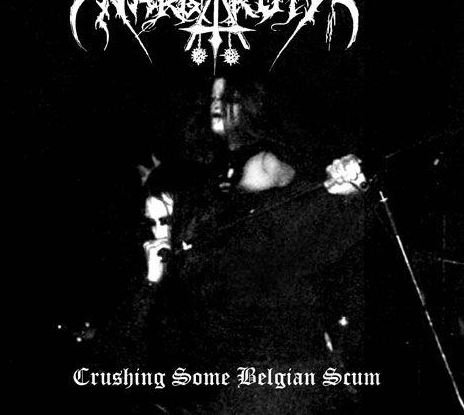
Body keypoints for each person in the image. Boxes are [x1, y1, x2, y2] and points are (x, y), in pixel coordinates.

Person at [145, 72, 370, 414]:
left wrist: (338, 189)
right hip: (228, 360)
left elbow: (296, 211)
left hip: (273, 361)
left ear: (248, 105)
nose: (217, 105)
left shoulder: (263, 163)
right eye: (213, 98)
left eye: (228, 98)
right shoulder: (211, 171)